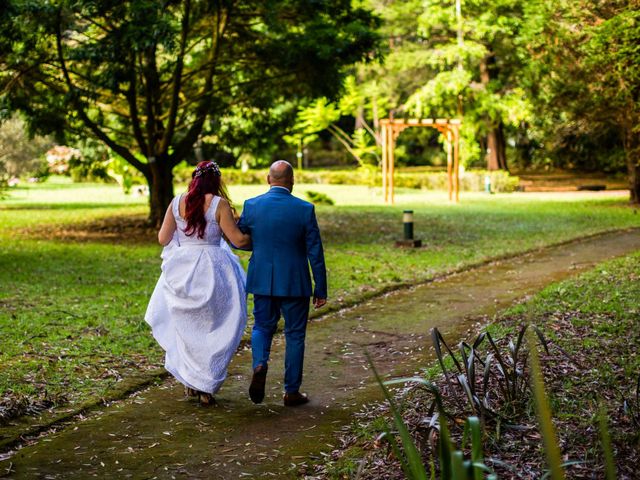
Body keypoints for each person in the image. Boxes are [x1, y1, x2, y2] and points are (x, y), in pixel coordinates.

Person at [145, 160, 251, 405]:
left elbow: (163, 239)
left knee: (187, 328)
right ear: (216, 181)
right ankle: (205, 387)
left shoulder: (176, 202)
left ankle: (191, 381)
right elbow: (238, 240)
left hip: (182, 270)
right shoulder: (219, 204)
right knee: (214, 328)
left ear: (193, 179)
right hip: (213, 270)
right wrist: (255, 235)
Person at [238, 160, 327, 407]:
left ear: (269, 179)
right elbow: (315, 252)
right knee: (295, 334)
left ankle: (259, 363)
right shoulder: (304, 209)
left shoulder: (252, 206)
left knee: (262, 327)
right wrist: (320, 288)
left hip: (262, 279)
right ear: (292, 181)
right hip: (295, 283)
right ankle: (291, 392)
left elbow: (239, 239)